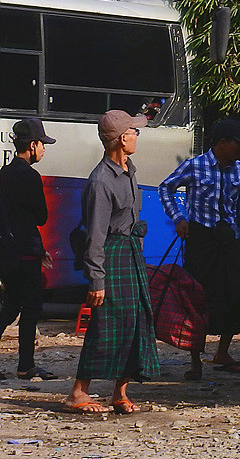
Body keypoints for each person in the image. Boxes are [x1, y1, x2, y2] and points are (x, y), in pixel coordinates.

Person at [65, 110, 160, 415]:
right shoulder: (101, 181)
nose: (137, 137)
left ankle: (120, 393)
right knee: (105, 326)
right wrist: (96, 280)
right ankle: (78, 394)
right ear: (122, 138)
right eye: (135, 132)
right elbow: (95, 235)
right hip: (112, 256)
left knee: (136, 322)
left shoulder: (129, 170)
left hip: (130, 255)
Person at [158, 118, 240, 380]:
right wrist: (178, 218)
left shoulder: (239, 170)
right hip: (201, 241)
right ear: (222, 143)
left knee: (237, 293)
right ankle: (195, 362)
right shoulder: (195, 165)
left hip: (229, 241)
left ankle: (222, 352)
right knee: (198, 299)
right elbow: (165, 188)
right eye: (237, 143)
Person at [0, 118, 56, 380]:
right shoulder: (31, 176)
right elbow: (41, 216)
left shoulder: (3, 174)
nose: (44, 149)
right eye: (42, 144)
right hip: (27, 252)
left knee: (10, 306)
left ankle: (25, 364)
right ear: (32, 145)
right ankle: (25, 365)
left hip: (8, 252)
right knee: (31, 308)